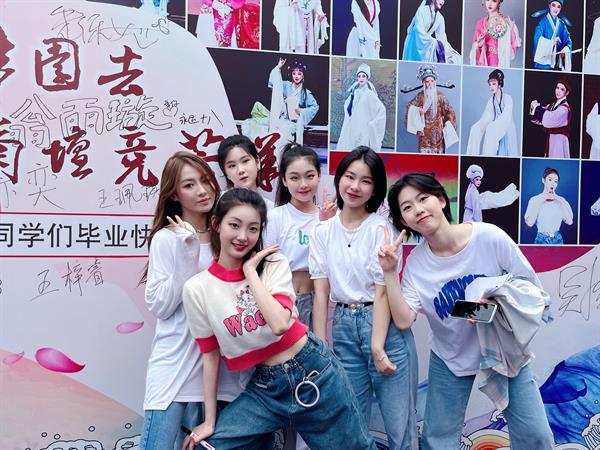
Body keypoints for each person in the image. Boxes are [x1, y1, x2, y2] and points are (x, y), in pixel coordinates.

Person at [181, 188, 376, 450]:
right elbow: (210, 356)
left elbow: (280, 324)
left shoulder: (273, 263)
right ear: (216, 224)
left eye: (253, 228)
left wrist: (250, 272)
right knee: (210, 446)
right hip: (266, 388)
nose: (243, 236)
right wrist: (209, 421)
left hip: (314, 372)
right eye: (234, 225)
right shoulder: (197, 289)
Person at [382, 172, 555, 450]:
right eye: (407, 207)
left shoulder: (488, 236)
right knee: (438, 441)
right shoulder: (416, 264)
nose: (418, 209)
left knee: (536, 436)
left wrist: (495, 303)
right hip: (450, 356)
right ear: (404, 221)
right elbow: (404, 320)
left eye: (423, 198)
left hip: (504, 349)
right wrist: (390, 272)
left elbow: (531, 286)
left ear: (441, 199)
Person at [309, 147, 418, 450]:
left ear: (375, 189)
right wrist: (321, 348)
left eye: (366, 181)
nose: (355, 186)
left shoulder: (381, 229)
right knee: (352, 428)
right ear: (339, 179)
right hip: (343, 326)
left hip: (382, 327)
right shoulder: (322, 232)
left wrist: (377, 346)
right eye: (349, 177)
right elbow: (321, 292)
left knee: (400, 429)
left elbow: (382, 291)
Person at [139, 152, 243, 450]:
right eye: (189, 185)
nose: (202, 190)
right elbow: (160, 306)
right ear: (174, 194)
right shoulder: (166, 239)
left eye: (205, 180)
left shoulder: (228, 235)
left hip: (221, 376)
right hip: (175, 367)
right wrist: (187, 257)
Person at [263, 143, 337, 450]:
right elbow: (267, 267)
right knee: (284, 386)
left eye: (309, 176)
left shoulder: (329, 217)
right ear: (283, 180)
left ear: (319, 176)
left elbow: (332, 265)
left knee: (315, 386)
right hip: (283, 307)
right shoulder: (276, 217)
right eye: (294, 177)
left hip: (318, 305)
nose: (303, 184)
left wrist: (325, 225)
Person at [405, 65, 458, 154]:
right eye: (427, 81)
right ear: (423, 83)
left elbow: (450, 111)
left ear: (435, 82)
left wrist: (448, 124)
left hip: (438, 133)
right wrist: (418, 110)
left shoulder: (440, 96)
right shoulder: (420, 96)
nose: (430, 84)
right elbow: (409, 107)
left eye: (432, 81)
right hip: (424, 134)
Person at [466, 69, 519, 156]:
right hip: (496, 128)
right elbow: (487, 118)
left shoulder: (508, 98)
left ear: (499, 84)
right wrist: (478, 127)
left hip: (507, 128)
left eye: (494, 84)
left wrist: (493, 126)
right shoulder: (491, 100)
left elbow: (506, 116)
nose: (491, 87)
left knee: (506, 152)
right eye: (490, 84)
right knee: (475, 128)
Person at [267, 58, 319, 145]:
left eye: (299, 74)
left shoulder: (306, 92)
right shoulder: (286, 85)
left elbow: (315, 107)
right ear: (291, 75)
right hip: (283, 117)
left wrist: (301, 111)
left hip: (295, 122)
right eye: (294, 73)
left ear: (303, 76)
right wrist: (278, 67)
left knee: (286, 131)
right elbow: (274, 83)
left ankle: (297, 145)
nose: (296, 76)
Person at [217, 134, 276, 210]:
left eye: (245, 161)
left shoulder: (272, 210)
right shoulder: (218, 204)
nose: (240, 170)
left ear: (257, 162)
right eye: (232, 166)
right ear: (225, 172)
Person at [337, 63, 386, 152]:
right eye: (359, 76)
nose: (361, 78)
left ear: (367, 78)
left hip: (364, 126)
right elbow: (348, 107)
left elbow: (381, 109)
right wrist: (352, 97)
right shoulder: (355, 92)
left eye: (363, 76)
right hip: (354, 125)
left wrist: (373, 123)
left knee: (362, 150)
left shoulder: (370, 94)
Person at [524, 167, 573, 244]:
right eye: (550, 180)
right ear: (543, 180)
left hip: (558, 240)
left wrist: (559, 201)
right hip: (541, 240)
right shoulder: (534, 200)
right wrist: (540, 201)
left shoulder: (561, 200)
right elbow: (530, 223)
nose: (553, 184)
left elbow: (570, 222)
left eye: (555, 181)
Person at [469, 0, 521, 67]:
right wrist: (479, 45)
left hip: (500, 63)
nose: (490, 4)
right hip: (485, 62)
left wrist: (511, 30)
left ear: (499, 2)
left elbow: (513, 48)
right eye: (488, 0)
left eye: (494, 1)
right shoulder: (480, 23)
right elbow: (474, 49)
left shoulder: (506, 23)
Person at [529, 78, 572, 158]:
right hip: (551, 138)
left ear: (567, 92)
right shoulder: (553, 105)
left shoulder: (564, 109)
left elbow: (549, 119)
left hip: (559, 140)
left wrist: (536, 108)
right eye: (557, 88)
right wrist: (534, 108)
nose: (558, 91)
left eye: (562, 89)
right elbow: (543, 115)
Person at [531, 0, 572, 71]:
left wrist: (565, 50)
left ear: (561, 9)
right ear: (549, 6)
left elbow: (568, 42)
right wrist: (551, 42)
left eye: (558, 7)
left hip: (556, 66)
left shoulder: (562, 25)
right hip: (542, 65)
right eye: (553, 5)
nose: (556, 9)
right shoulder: (542, 22)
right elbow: (537, 40)